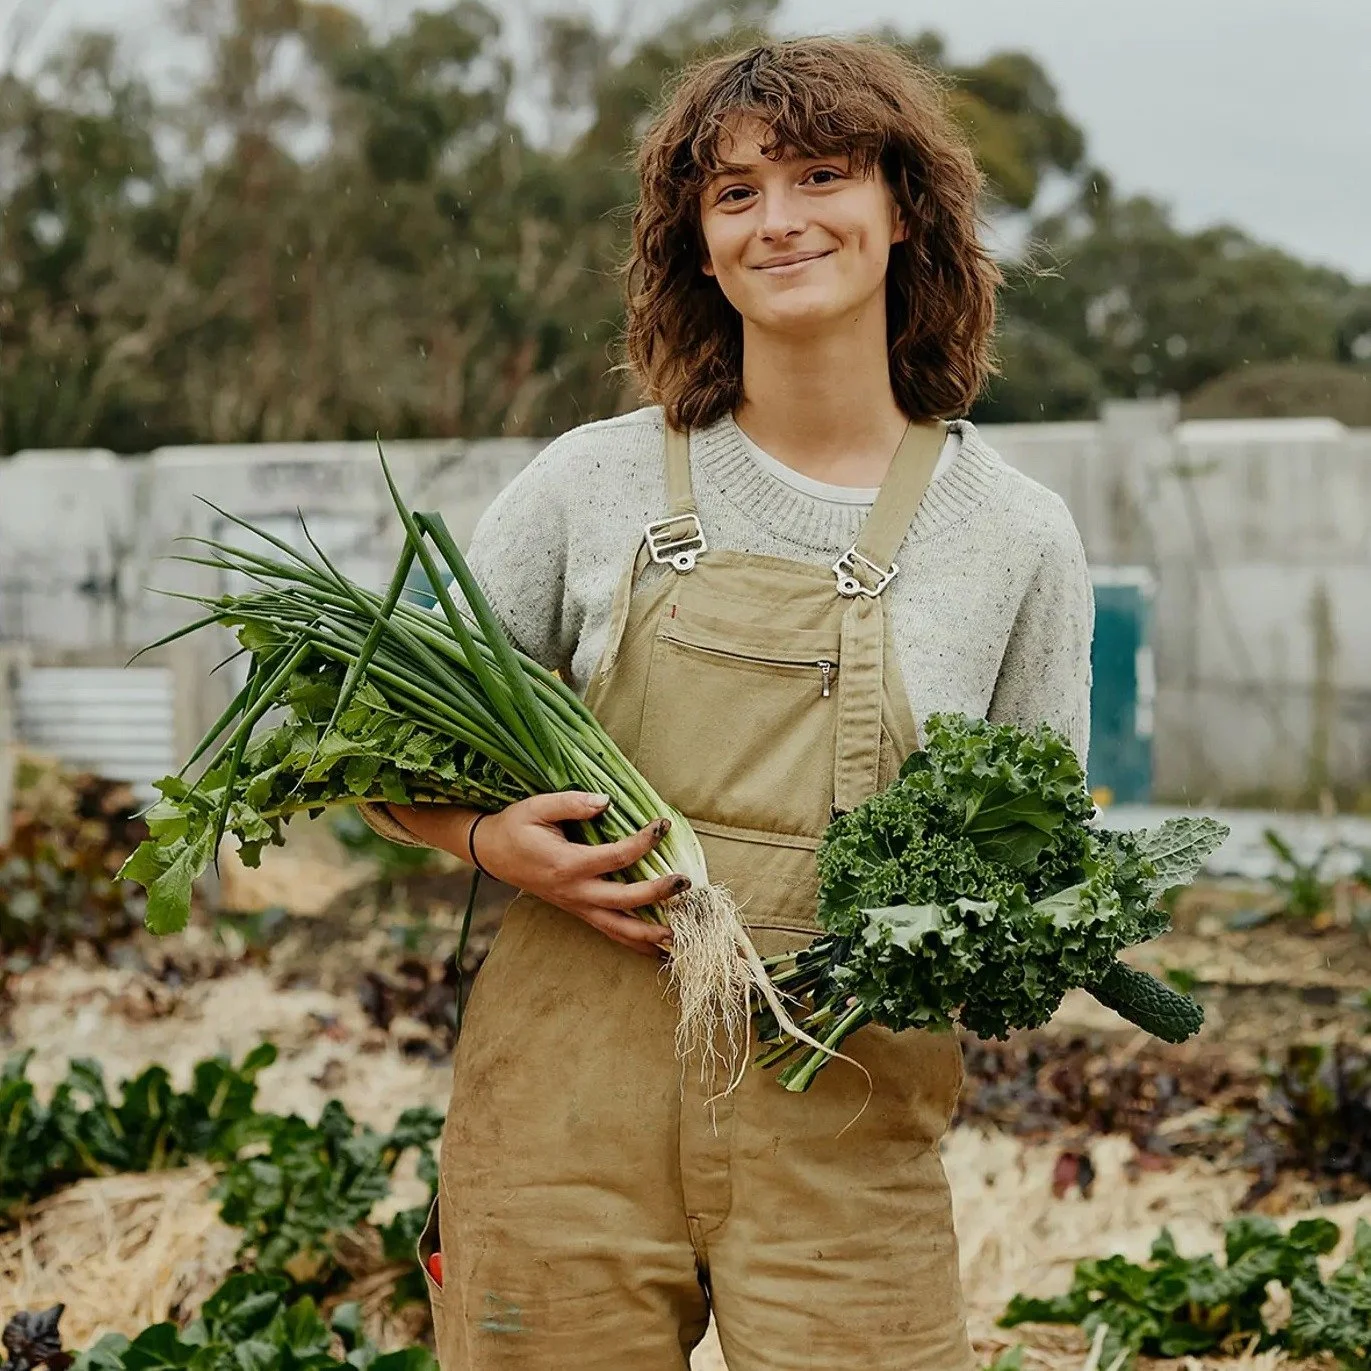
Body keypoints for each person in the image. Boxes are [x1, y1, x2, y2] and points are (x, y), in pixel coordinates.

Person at [360, 34, 1093, 1371]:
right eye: (735, 192)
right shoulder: (591, 486)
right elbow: (369, 740)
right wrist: (483, 840)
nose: (781, 219)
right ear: (695, 245)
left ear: (899, 213)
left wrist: (977, 935)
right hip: (564, 1119)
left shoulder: (1013, 535)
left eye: (820, 174)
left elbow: (1039, 862)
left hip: (842, 1130)